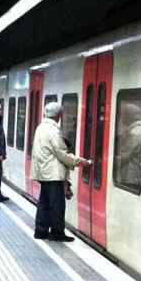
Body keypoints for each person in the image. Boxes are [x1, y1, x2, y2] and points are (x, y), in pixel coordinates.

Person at [32, 102, 92, 241]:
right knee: (57, 205)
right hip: (53, 173)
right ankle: (57, 233)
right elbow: (62, 154)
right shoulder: (53, 131)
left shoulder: (41, 127)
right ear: (59, 116)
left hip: (43, 171)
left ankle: (40, 231)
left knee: (44, 202)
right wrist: (81, 161)